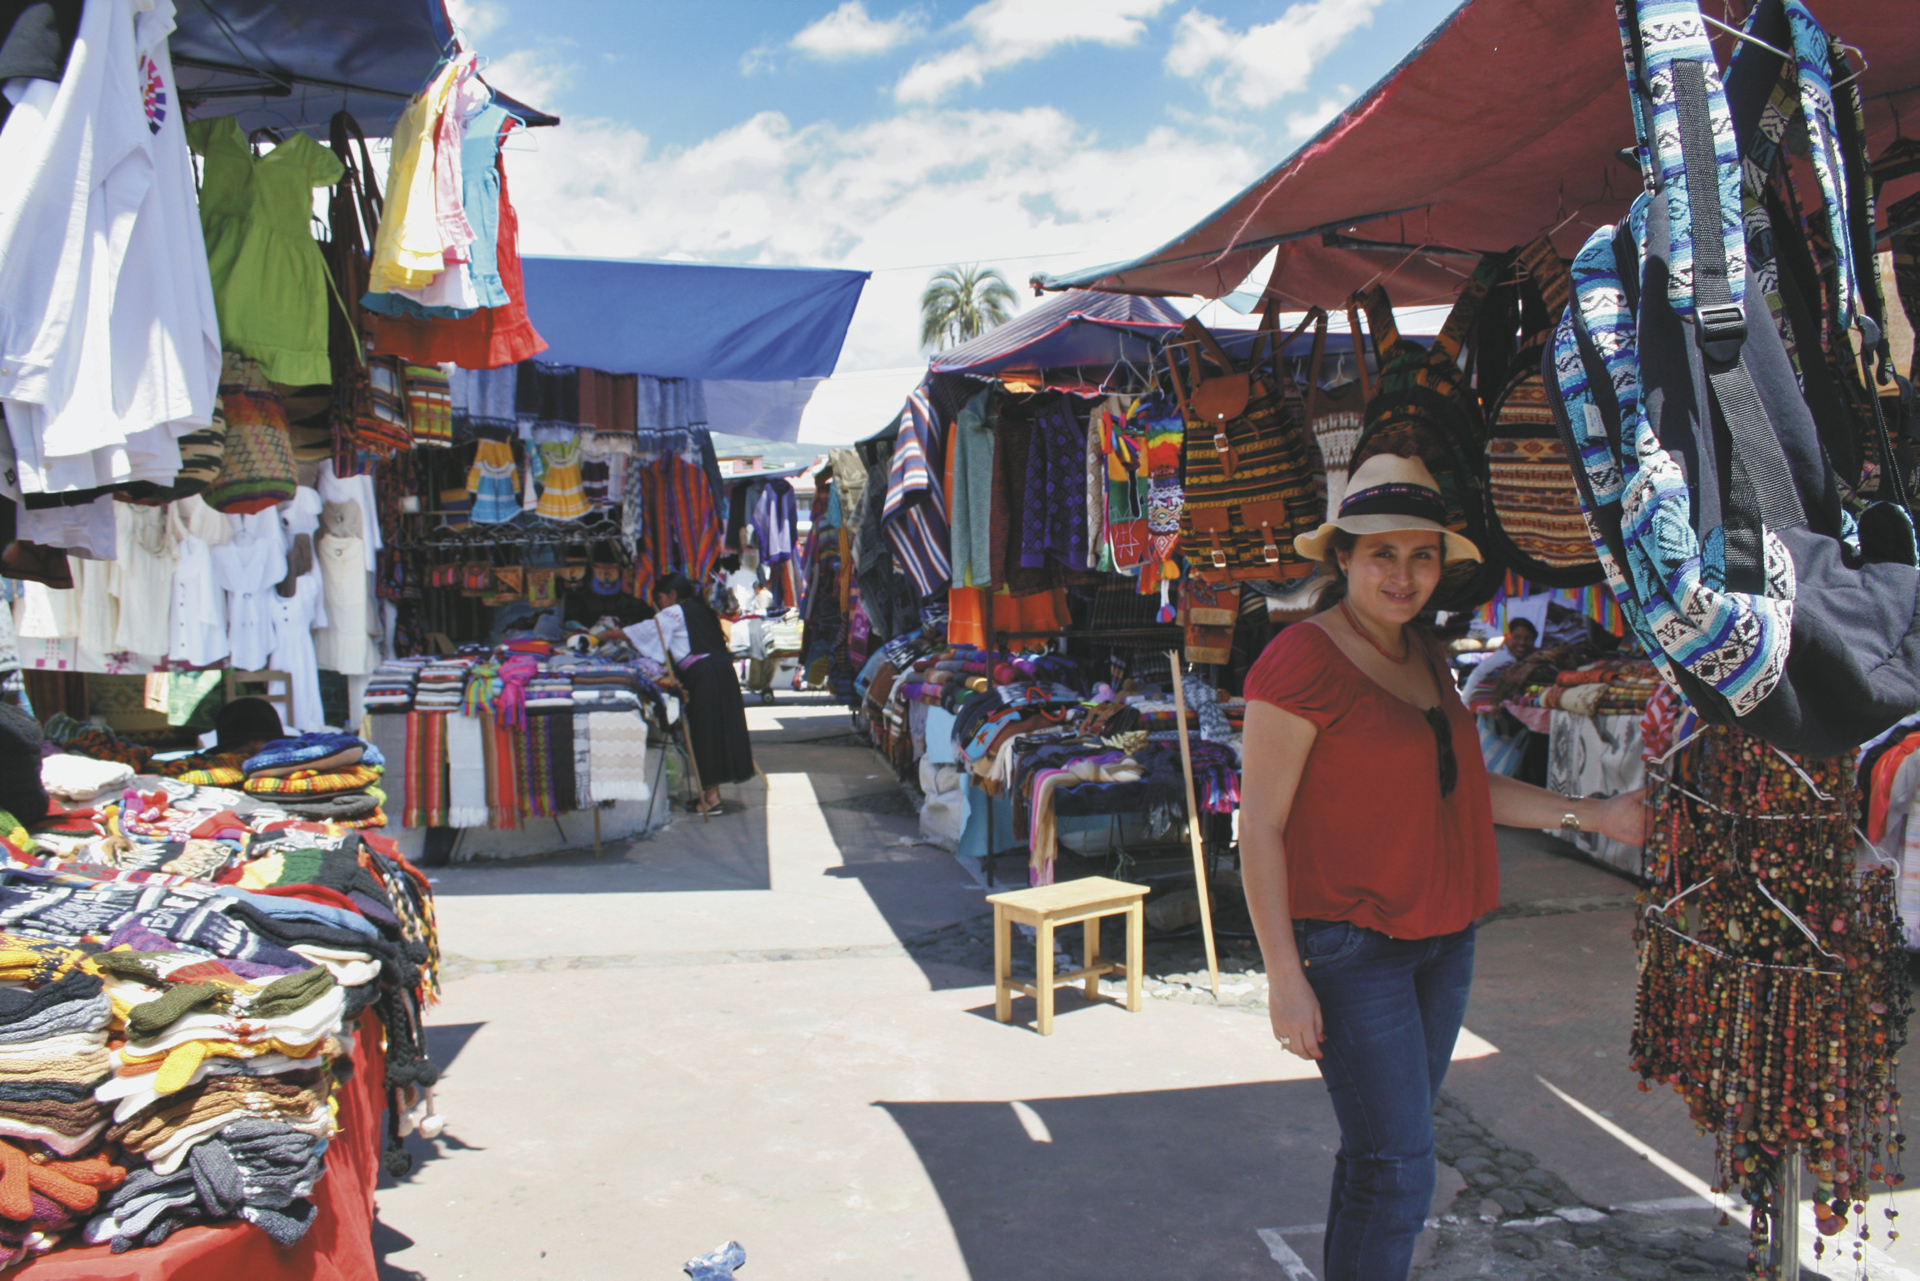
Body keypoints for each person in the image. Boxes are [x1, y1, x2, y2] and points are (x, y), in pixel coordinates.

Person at [1238, 454, 1647, 1281]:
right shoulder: (1302, 661)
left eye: (1421, 554)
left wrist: (1594, 814)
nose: (1403, 573)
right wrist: (1285, 974)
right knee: (1401, 1169)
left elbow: (1461, 785)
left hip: (1441, 941)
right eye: (1381, 553)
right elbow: (1261, 829)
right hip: (1352, 948)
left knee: (1379, 1155)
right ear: (1342, 557)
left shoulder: (1424, 651)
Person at [646, 571, 755, 815]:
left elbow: (648, 637)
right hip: (722, 673)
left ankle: (711, 799)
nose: (658, 604)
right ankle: (712, 794)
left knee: (705, 734)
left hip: (705, 677)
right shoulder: (703, 611)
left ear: (671, 595)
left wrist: (608, 635)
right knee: (722, 730)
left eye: (660, 598)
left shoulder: (672, 614)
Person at [1458, 616, 1536, 706]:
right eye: (1517, 637)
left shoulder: (1507, 656)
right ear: (1507, 637)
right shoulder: (1506, 661)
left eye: (1528, 639)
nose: (1522, 643)